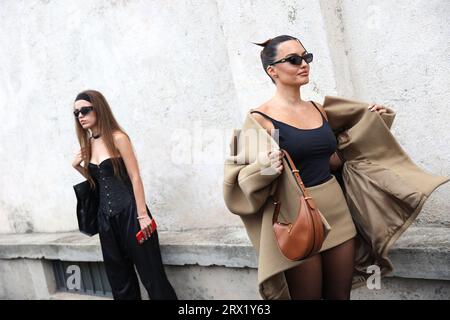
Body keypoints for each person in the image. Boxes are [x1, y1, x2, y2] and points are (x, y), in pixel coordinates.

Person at [231, 35, 388, 300]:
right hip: (298, 219)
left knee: (340, 297)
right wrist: (265, 167)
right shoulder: (259, 120)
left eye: (307, 57)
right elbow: (241, 180)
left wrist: (371, 125)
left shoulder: (319, 110)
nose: (304, 64)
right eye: (293, 60)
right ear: (272, 71)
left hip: (338, 215)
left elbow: (331, 162)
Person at [72, 89, 177, 300]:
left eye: (85, 110)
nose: (81, 116)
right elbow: (98, 182)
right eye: (76, 113)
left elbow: (135, 176)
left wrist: (142, 215)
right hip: (106, 221)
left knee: (152, 277)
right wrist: (78, 167)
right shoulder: (88, 145)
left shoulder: (118, 138)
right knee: (120, 281)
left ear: (98, 109)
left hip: (131, 214)